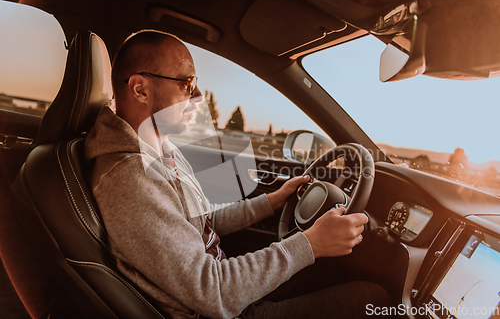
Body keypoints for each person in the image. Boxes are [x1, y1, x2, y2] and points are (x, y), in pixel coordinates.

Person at [84, 30, 391, 319]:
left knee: (337, 272)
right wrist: (310, 244)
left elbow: (202, 221)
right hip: (220, 308)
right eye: (187, 83)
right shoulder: (131, 178)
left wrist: (272, 201)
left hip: (227, 289)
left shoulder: (160, 149)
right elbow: (212, 291)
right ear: (140, 89)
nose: (199, 96)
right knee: (371, 298)